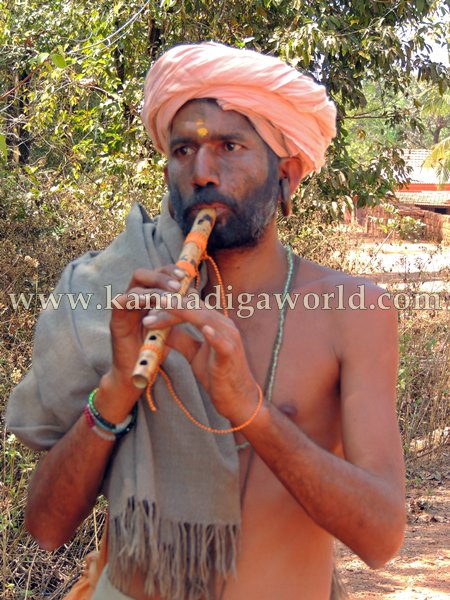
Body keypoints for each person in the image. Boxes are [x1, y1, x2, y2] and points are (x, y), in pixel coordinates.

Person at [6, 42, 405, 600]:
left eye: (230, 146)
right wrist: (117, 391)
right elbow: (45, 528)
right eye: (183, 149)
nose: (202, 172)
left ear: (287, 175)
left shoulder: (352, 308)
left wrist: (251, 410)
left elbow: (383, 536)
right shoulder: (109, 287)